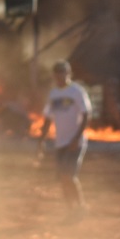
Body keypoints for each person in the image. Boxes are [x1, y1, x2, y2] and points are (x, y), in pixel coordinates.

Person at [40, 60, 92, 208]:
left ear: (68, 74)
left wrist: (76, 138)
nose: (60, 76)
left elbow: (86, 115)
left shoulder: (77, 91)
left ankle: (80, 206)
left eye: (62, 73)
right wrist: (41, 140)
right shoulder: (53, 94)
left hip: (75, 142)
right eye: (57, 74)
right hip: (60, 142)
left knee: (69, 176)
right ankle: (70, 208)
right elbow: (48, 118)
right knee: (62, 179)